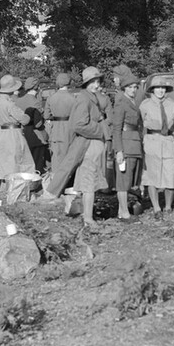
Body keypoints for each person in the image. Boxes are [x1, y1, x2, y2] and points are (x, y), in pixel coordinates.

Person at [37, 68, 109, 228]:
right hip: (85, 141)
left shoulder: (89, 97)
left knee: (77, 173)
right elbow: (78, 124)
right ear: (86, 84)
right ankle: (87, 217)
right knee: (87, 179)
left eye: (98, 82)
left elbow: (48, 115)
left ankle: (83, 211)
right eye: (93, 82)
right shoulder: (83, 98)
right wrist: (101, 130)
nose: (96, 85)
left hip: (64, 133)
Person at [139, 74, 174, 217]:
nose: (161, 91)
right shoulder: (145, 105)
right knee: (152, 175)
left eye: (163, 88)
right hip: (152, 140)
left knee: (171, 173)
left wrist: (169, 134)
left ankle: (168, 206)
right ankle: (156, 208)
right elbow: (140, 123)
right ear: (152, 90)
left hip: (167, 140)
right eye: (157, 88)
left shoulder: (172, 105)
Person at [0, 75, 35, 191]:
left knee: (5, 164)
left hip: (1, 134)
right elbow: (24, 120)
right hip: (12, 134)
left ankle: (4, 191)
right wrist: (29, 113)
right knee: (17, 162)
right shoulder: (9, 104)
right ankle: (15, 191)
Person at [111, 72, 144, 222]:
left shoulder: (133, 102)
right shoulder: (120, 104)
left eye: (135, 87)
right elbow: (116, 128)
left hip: (135, 143)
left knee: (129, 179)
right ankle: (124, 212)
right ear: (124, 88)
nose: (133, 90)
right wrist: (119, 150)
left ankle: (121, 211)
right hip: (125, 144)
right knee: (123, 181)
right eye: (130, 87)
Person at [43, 73, 76, 175]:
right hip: (70, 129)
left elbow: (46, 116)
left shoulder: (51, 98)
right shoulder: (73, 98)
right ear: (69, 83)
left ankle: (56, 183)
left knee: (56, 156)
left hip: (56, 129)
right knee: (69, 156)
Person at [16, 76, 49, 174]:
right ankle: (37, 182)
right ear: (37, 87)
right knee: (38, 160)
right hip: (35, 134)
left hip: (22, 132)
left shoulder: (19, 100)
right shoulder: (36, 102)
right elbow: (39, 121)